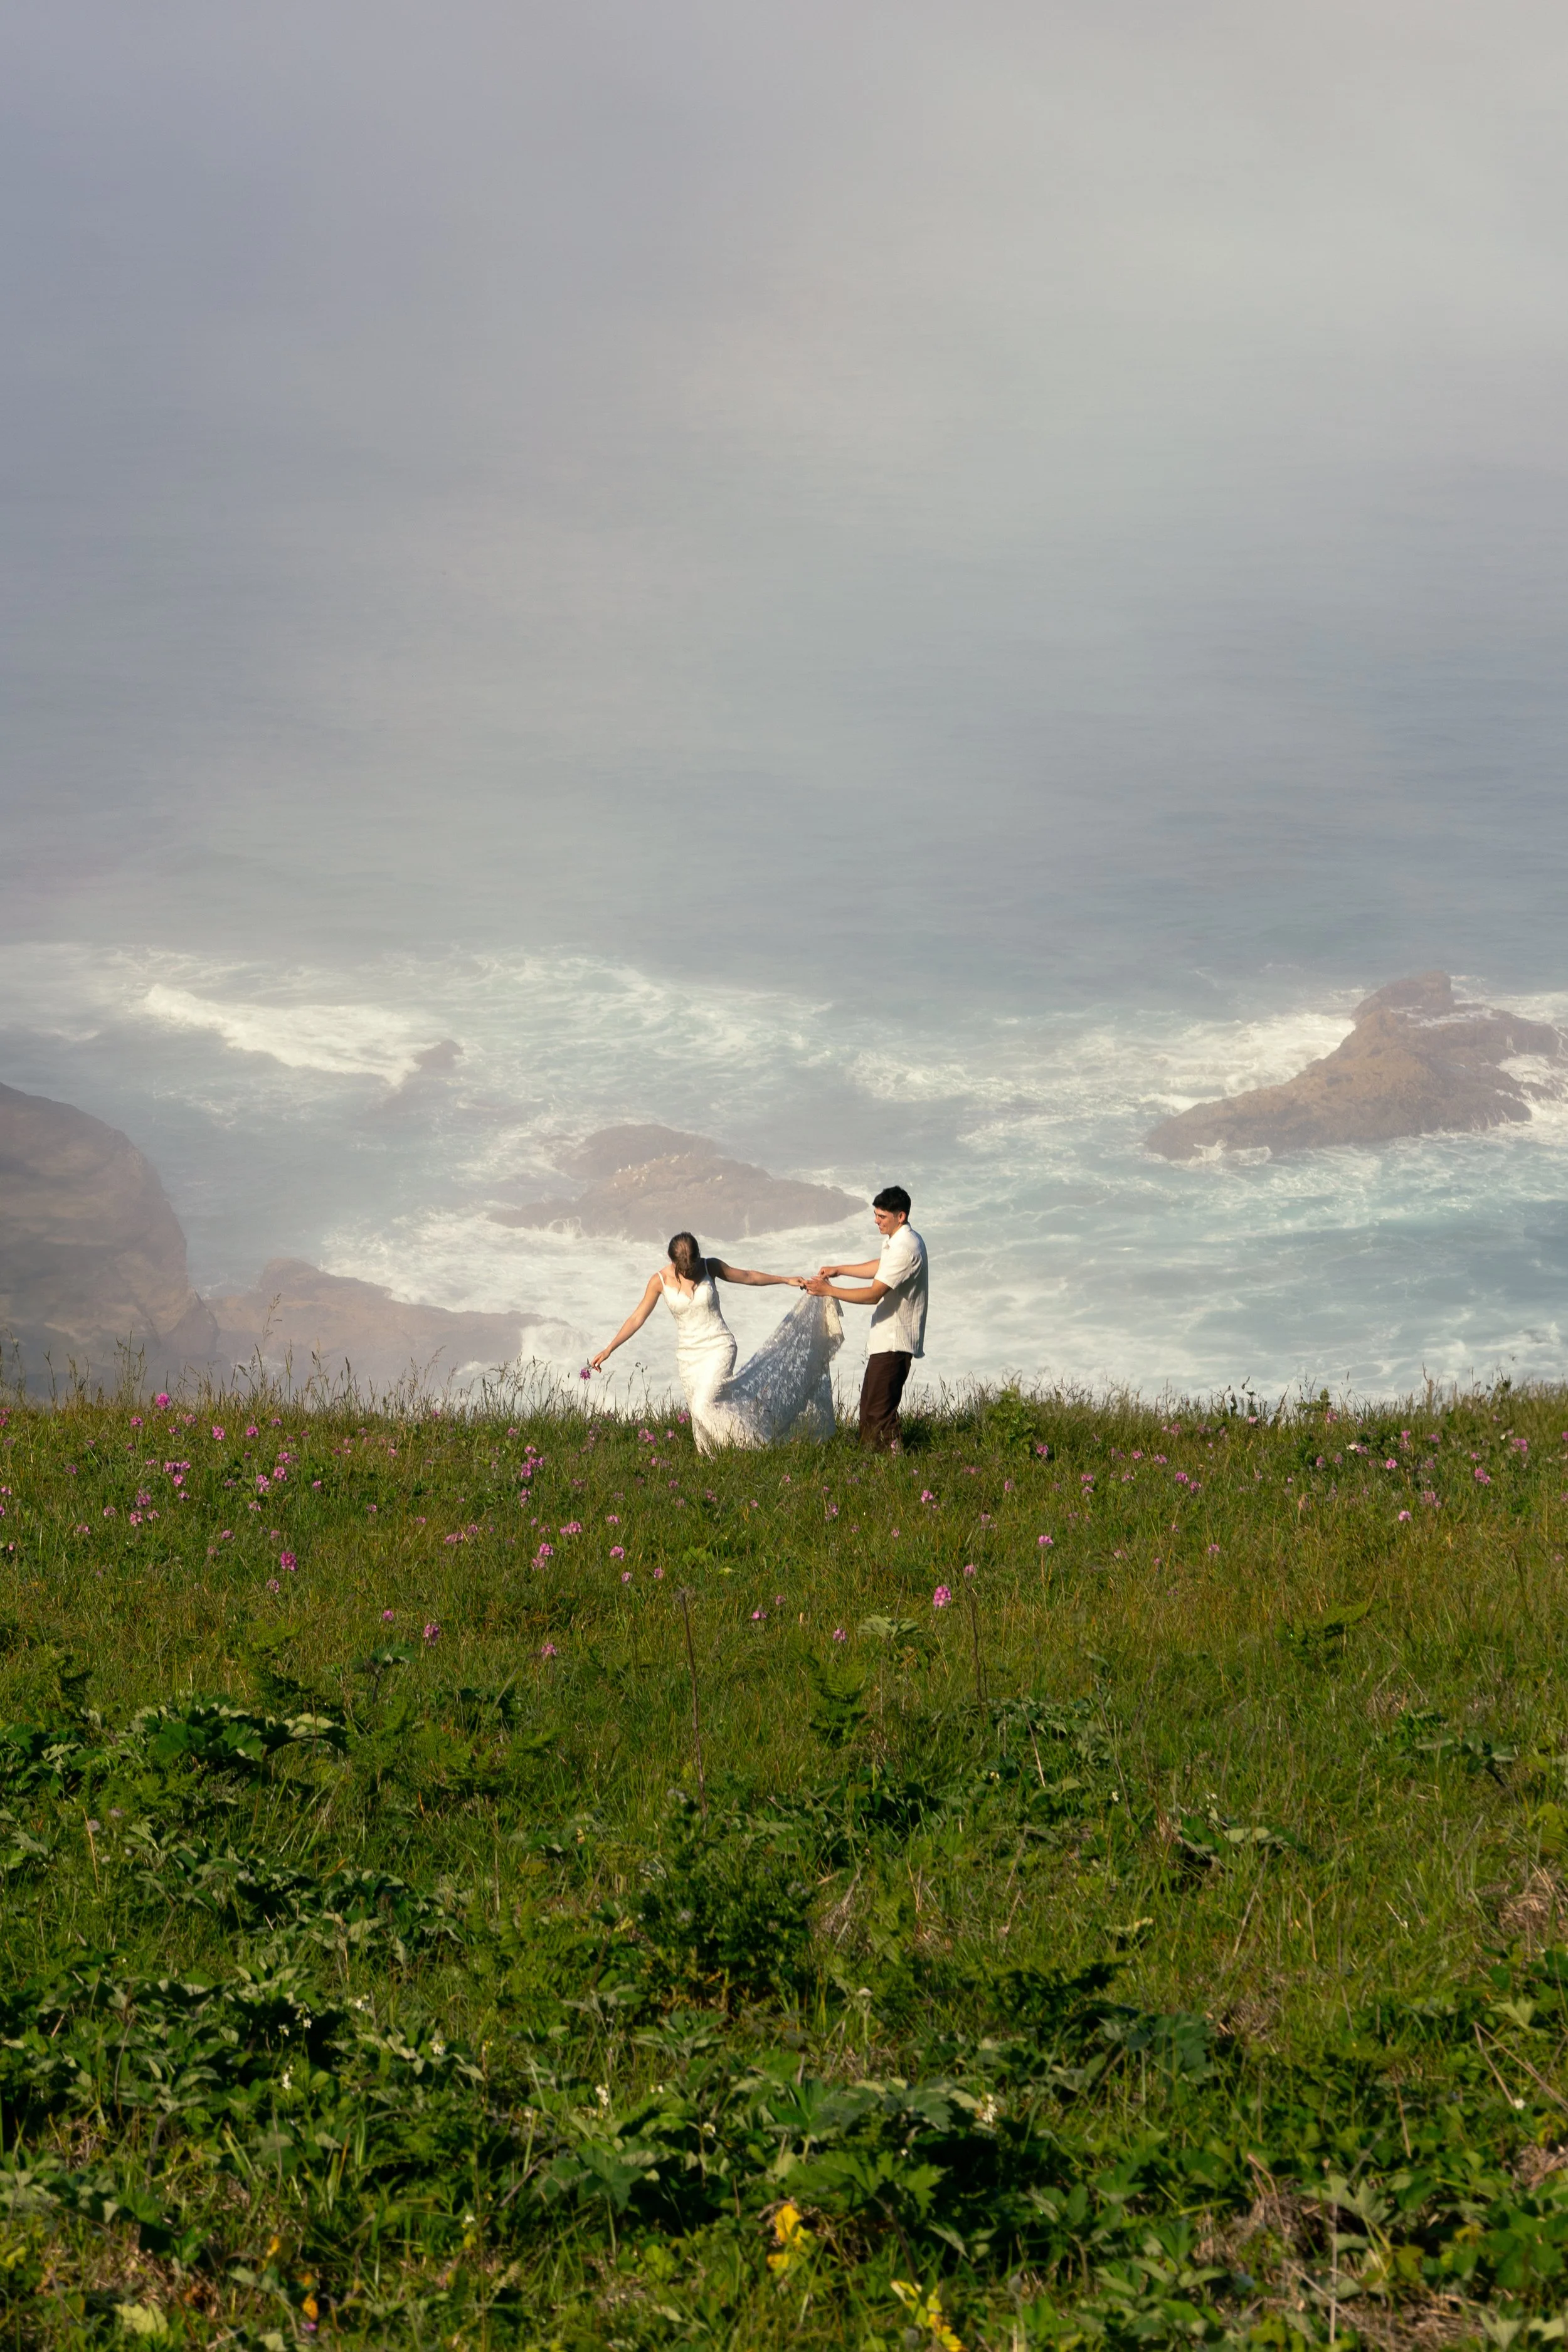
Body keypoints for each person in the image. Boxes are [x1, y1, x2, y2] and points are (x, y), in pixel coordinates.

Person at [588, 1230, 843, 1454]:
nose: (690, 1272)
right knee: (703, 1422)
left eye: (693, 1265)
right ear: (672, 1261)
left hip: (719, 1346)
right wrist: (609, 1348)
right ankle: (716, 1463)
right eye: (685, 1268)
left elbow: (748, 1276)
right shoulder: (659, 1281)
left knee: (702, 1405)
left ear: (699, 1256)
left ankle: (756, 1448)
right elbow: (637, 1317)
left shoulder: (711, 1267)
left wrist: (785, 1279)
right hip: (688, 1357)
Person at [808, 1185, 927, 1451]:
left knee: (880, 1415)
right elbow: (880, 1264)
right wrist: (840, 1270)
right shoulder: (898, 1242)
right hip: (886, 1339)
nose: (876, 1221)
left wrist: (828, 1290)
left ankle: (893, 1470)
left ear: (901, 1216)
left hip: (895, 1342)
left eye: (882, 1217)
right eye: (875, 1215)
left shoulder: (906, 1249)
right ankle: (875, 1465)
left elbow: (874, 1294)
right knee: (869, 1412)